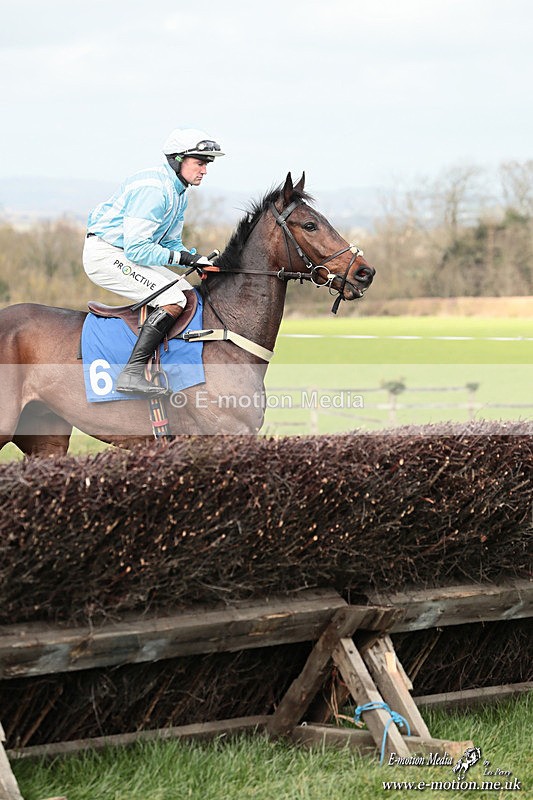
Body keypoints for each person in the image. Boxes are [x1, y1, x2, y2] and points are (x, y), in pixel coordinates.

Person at [83, 128, 225, 395]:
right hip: (106, 254)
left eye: (206, 164)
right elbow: (138, 250)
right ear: (178, 160)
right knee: (174, 299)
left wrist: (196, 260)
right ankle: (131, 373)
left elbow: (171, 245)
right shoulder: (155, 190)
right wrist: (185, 258)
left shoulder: (179, 192)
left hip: (123, 252)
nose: (204, 170)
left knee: (185, 293)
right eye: (200, 163)